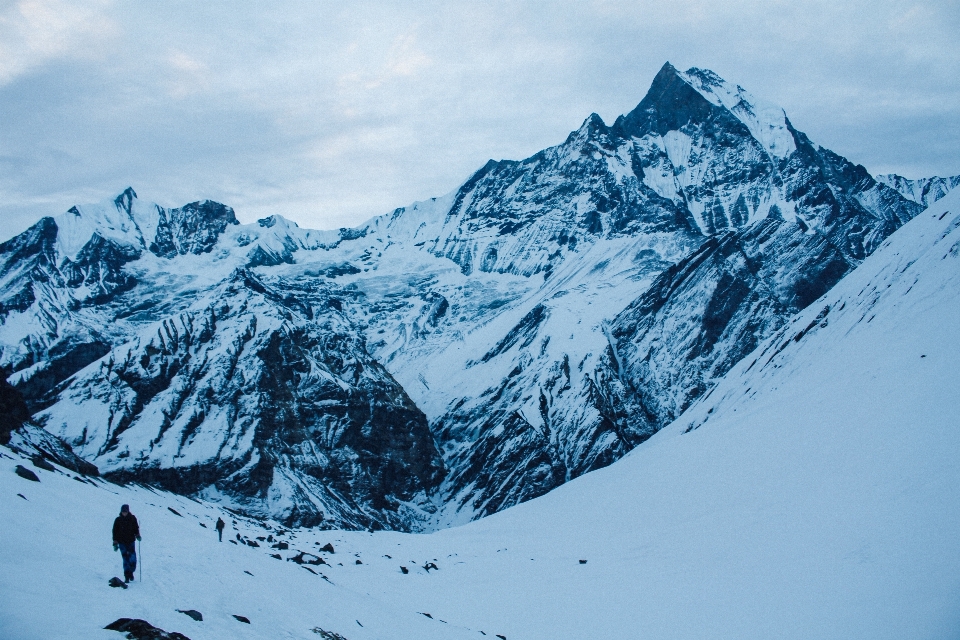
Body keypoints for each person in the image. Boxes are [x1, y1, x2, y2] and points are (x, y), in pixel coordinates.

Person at [112, 504, 141, 583]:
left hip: (131, 541)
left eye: (125, 511)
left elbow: (136, 528)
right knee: (125, 559)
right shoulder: (118, 520)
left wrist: (137, 535)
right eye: (123, 512)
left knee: (132, 558)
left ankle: (131, 572)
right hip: (122, 543)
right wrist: (115, 542)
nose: (124, 513)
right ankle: (126, 576)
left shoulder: (132, 518)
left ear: (128, 511)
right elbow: (115, 531)